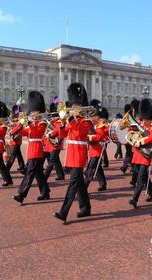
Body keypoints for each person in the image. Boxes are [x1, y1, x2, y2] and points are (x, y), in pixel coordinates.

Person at [54, 83, 92, 223]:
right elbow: (62, 134)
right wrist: (63, 123)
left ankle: (63, 212)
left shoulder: (86, 121)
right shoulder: (71, 120)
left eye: (77, 107)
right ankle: (86, 207)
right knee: (80, 184)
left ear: (81, 107)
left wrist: (70, 119)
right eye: (74, 106)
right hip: (71, 154)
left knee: (73, 184)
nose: (74, 109)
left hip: (79, 155)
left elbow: (79, 132)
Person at [13, 91, 51, 203]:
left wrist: (30, 123)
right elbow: (25, 132)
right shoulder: (32, 123)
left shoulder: (42, 123)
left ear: (40, 111)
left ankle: (21, 194)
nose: (33, 113)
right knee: (38, 173)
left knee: (29, 173)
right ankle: (45, 192)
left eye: (35, 111)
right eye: (32, 111)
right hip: (32, 150)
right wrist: (19, 126)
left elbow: (37, 133)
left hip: (37, 149)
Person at [128, 98, 152, 208]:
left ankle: (134, 199)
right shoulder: (140, 125)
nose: (143, 120)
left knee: (140, 178)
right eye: (143, 118)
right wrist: (131, 131)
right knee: (144, 176)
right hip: (137, 154)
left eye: (145, 118)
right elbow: (131, 133)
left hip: (146, 155)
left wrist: (141, 141)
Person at [85, 100, 108, 191]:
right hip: (92, 149)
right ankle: (103, 184)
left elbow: (99, 137)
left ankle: (84, 187)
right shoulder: (92, 125)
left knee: (90, 169)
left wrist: (89, 137)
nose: (92, 118)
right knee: (98, 168)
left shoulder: (100, 126)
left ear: (97, 116)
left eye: (94, 116)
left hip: (97, 150)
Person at [43, 102, 65, 181]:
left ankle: (44, 178)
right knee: (56, 160)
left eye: (52, 115)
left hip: (56, 144)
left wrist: (49, 134)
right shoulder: (52, 122)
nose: (51, 117)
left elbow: (57, 131)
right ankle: (61, 175)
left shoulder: (59, 122)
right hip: (51, 144)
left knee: (51, 162)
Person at [6, 105, 26, 174]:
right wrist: (10, 128)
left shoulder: (20, 121)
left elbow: (19, 128)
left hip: (17, 139)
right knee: (18, 154)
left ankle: (6, 168)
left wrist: (11, 130)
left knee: (13, 155)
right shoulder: (14, 121)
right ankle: (22, 166)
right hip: (13, 139)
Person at [120, 104, 134, 174]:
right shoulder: (130, 118)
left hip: (126, 138)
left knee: (129, 152)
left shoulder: (124, 118)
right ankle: (128, 167)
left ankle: (125, 166)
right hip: (131, 137)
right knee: (131, 153)